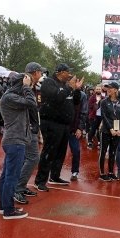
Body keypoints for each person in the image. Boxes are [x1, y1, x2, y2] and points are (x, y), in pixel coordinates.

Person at [34, 63, 83, 191]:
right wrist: (69, 88)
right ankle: (40, 180)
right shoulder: (49, 83)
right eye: (68, 72)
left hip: (65, 124)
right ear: (60, 72)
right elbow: (57, 98)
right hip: (51, 123)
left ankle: (54, 176)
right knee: (49, 152)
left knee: (61, 152)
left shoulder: (66, 86)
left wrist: (77, 89)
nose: (70, 75)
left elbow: (76, 102)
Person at [0, 71, 37, 219]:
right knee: (11, 177)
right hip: (15, 141)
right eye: (28, 84)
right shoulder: (10, 97)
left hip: (14, 140)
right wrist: (27, 88)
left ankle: (4, 207)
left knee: (7, 176)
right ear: (22, 83)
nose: (30, 87)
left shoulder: (11, 96)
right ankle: (8, 210)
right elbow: (32, 104)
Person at [13, 63, 45, 205]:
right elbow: (29, 105)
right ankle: (17, 188)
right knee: (32, 158)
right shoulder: (23, 85)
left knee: (29, 158)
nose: (41, 75)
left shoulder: (29, 85)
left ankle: (20, 186)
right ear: (35, 72)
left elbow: (34, 109)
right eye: (40, 73)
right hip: (24, 129)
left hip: (30, 127)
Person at [99, 82, 120, 181]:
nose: (108, 89)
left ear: (116, 90)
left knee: (113, 152)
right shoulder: (104, 102)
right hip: (106, 130)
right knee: (103, 151)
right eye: (107, 88)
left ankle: (110, 172)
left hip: (117, 131)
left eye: (111, 88)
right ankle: (102, 173)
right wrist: (111, 129)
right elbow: (104, 116)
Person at [68, 89, 88, 181]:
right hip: (61, 127)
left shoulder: (82, 95)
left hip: (74, 128)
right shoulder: (62, 90)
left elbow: (84, 112)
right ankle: (54, 173)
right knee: (58, 151)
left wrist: (80, 128)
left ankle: (75, 172)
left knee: (76, 150)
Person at [87, 84, 104, 149]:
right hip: (94, 116)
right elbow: (89, 106)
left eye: (99, 89)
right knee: (92, 129)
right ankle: (89, 141)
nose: (98, 90)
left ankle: (99, 142)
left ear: (101, 90)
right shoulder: (92, 97)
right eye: (97, 89)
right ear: (95, 90)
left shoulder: (103, 98)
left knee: (100, 130)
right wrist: (96, 103)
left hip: (101, 116)